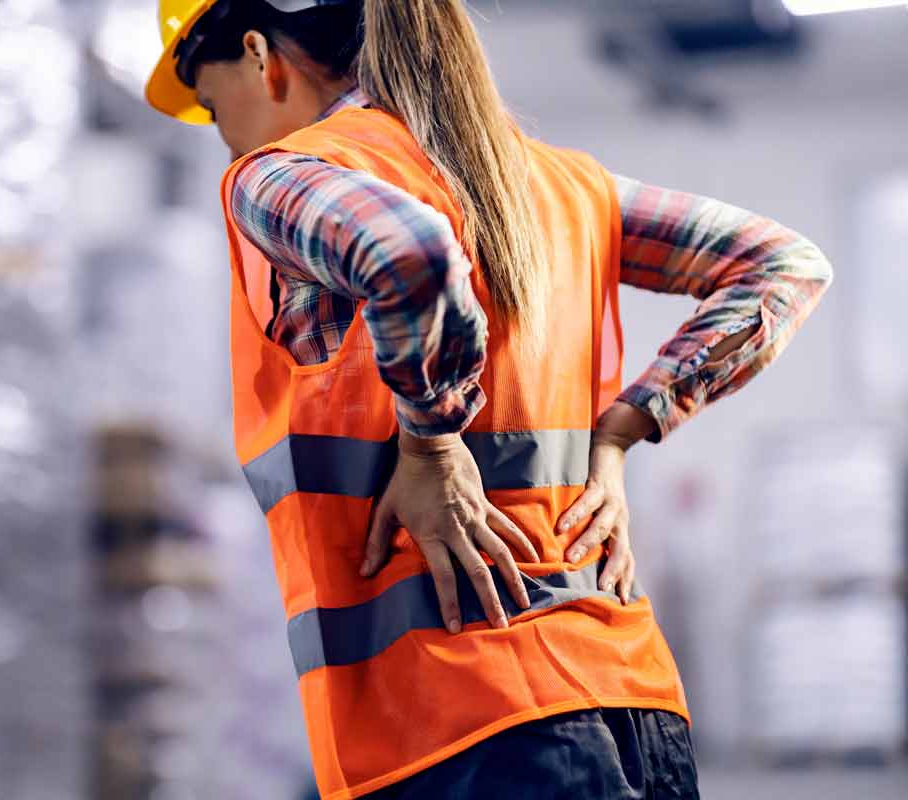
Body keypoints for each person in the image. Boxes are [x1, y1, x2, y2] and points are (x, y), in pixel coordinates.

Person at [144, 1, 833, 798]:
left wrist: (431, 445)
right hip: (632, 701)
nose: (220, 132)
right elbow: (783, 265)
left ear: (260, 56)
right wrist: (625, 426)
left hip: (459, 722)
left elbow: (410, 254)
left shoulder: (280, 176)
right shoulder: (563, 186)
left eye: (208, 98)